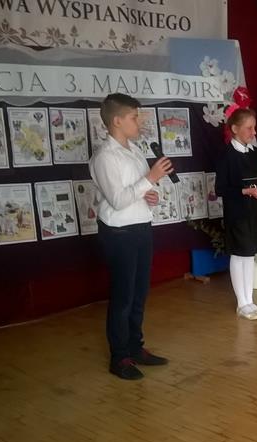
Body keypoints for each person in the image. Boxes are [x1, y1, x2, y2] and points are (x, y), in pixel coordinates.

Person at [89, 93, 172, 380]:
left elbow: (139, 191)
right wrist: (150, 178)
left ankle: (135, 347)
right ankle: (119, 357)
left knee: (139, 294)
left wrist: (151, 193)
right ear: (117, 121)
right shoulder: (105, 157)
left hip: (141, 227)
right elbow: (118, 200)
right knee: (123, 296)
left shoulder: (135, 150)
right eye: (134, 117)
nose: (139, 122)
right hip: (119, 232)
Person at [215, 108, 257, 320]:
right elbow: (220, 189)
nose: (254, 132)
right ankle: (242, 303)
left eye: (254, 128)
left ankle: (249, 300)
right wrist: (244, 191)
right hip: (237, 212)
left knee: (250, 254)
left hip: (254, 210)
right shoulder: (226, 155)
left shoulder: (254, 153)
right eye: (249, 128)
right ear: (234, 128)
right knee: (239, 254)